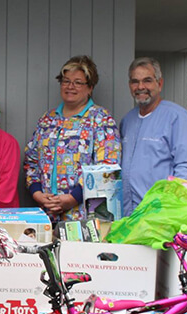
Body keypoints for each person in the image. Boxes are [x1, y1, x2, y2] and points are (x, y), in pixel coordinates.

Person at [24, 55, 121, 222]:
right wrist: (37, 192)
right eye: (66, 81)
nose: (70, 87)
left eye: (78, 82)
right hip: (46, 214)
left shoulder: (101, 120)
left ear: (90, 87)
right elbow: (31, 160)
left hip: (83, 214)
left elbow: (108, 168)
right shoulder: (48, 120)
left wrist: (73, 198)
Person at [120, 57, 187, 216]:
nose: (140, 87)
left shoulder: (176, 117)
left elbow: (186, 167)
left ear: (160, 83)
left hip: (158, 215)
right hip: (127, 215)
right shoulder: (127, 120)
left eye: (147, 80)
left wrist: (168, 207)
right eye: (135, 81)